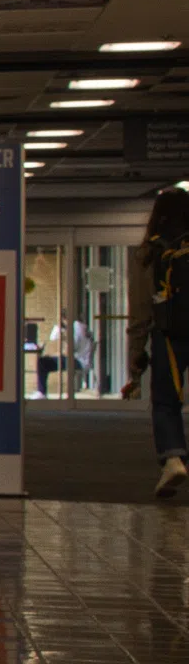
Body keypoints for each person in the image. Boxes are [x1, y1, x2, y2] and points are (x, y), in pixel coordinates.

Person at [129, 188, 189, 498]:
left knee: (166, 401)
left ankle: (173, 458)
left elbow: (140, 311)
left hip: (167, 336)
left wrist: (136, 358)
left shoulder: (148, 253)